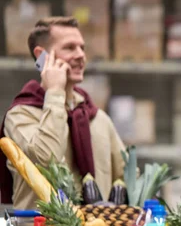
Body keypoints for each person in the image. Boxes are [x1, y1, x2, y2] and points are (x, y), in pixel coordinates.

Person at [0, 17, 125, 209]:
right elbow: (46, 158)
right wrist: (55, 92)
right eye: (69, 47)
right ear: (42, 56)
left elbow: (127, 178)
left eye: (82, 48)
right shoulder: (20, 115)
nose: (80, 55)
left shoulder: (98, 118)